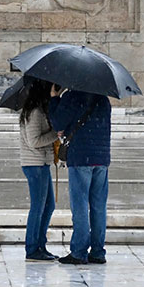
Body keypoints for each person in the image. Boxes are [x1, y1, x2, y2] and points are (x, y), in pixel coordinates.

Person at [48, 85, 111, 265]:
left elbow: (58, 122)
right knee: (99, 206)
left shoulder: (73, 96)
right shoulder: (103, 98)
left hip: (81, 157)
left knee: (80, 205)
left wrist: (54, 98)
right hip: (102, 158)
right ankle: (98, 252)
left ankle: (79, 251)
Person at [18, 78, 59, 262]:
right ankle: (32, 248)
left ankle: (40, 245)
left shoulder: (39, 110)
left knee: (49, 205)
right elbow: (34, 141)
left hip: (41, 164)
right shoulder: (34, 112)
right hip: (35, 164)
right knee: (38, 207)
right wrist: (55, 135)